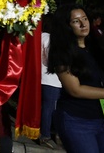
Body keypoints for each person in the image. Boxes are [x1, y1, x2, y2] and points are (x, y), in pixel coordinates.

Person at [47, 4, 104, 153]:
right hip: (78, 121)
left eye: (85, 18)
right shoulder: (63, 53)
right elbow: (75, 90)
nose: (83, 24)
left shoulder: (97, 49)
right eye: (76, 21)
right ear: (66, 26)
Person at [37, 14, 61, 149]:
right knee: (50, 108)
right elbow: (52, 59)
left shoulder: (38, 37)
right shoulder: (50, 38)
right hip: (51, 78)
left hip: (40, 77)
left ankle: (45, 132)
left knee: (45, 107)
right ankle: (46, 134)